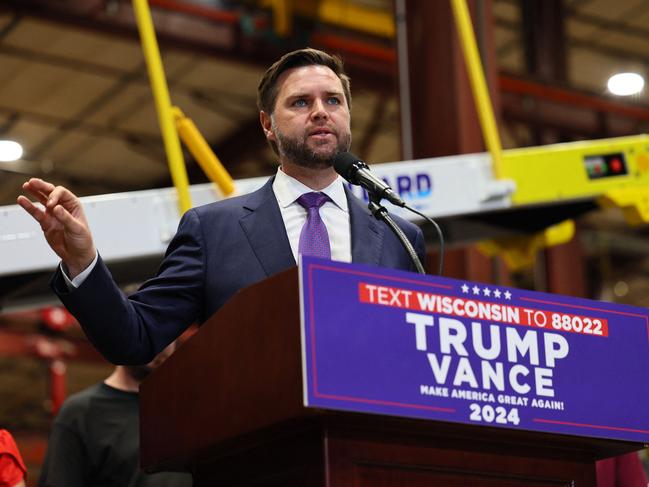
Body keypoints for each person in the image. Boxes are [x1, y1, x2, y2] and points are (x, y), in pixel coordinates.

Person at [17, 48, 425, 365]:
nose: (320, 111)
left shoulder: (400, 237)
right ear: (267, 124)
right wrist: (83, 260)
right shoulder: (213, 231)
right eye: (300, 103)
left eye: (333, 101)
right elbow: (135, 338)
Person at [37, 344, 192, 487]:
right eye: (144, 325)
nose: (156, 339)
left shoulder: (195, 405)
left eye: (166, 327)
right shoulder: (80, 413)